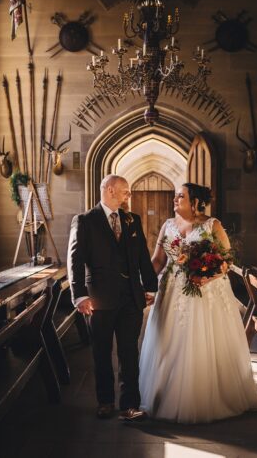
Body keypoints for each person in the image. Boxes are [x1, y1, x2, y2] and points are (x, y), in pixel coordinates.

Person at [139, 183, 257, 423]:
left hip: (205, 291)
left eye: (180, 196)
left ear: (195, 202)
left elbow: (226, 261)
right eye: (176, 196)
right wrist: (143, 284)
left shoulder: (212, 225)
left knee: (201, 340)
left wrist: (206, 277)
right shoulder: (168, 225)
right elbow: (157, 260)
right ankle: (164, 392)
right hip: (172, 290)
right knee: (168, 340)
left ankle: (207, 396)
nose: (175, 200)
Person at [67, 175, 158, 421]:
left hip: (131, 298)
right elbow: (74, 261)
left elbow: (142, 256)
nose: (129, 195)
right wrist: (79, 296)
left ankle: (129, 405)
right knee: (101, 353)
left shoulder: (132, 220)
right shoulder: (85, 221)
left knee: (129, 353)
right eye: (125, 191)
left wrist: (150, 287)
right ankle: (105, 401)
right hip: (99, 299)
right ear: (109, 190)